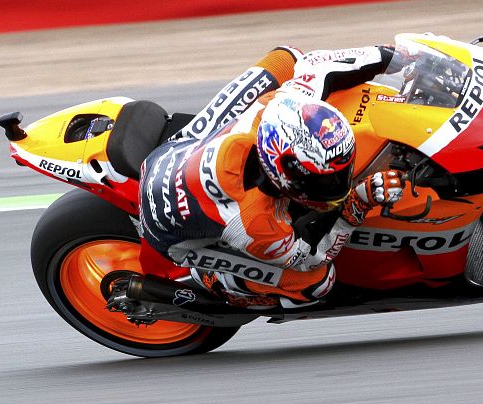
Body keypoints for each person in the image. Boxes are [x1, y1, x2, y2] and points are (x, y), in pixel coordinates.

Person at [136, 44, 405, 309]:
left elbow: (317, 65)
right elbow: (311, 257)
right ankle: (217, 282)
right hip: (170, 234)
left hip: (182, 149)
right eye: (324, 180)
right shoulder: (255, 223)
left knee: (287, 58)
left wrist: (392, 57)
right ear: (285, 175)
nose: (338, 182)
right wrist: (356, 204)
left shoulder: (278, 106)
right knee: (316, 283)